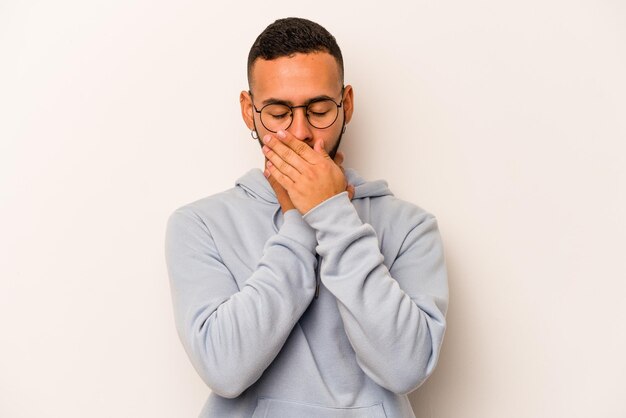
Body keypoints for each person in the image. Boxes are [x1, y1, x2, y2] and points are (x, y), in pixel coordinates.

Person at [165, 17, 448, 418]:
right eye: (278, 113)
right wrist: (300, 219)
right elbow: (224, 370)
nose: (300, 133)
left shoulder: (411, 228)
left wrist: (335, 218)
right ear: (249, 111)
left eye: (318, 110)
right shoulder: (199, 225)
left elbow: (405, 367)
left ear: (345, 104)